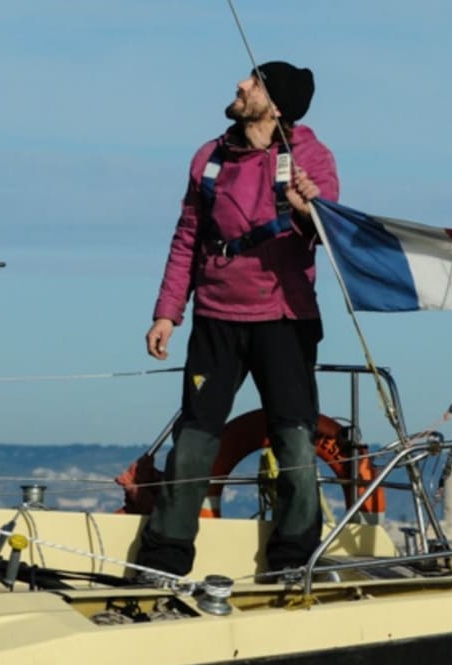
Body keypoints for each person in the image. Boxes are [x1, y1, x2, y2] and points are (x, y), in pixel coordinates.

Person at [136, 61, 339, 578]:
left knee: (294, 439)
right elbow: (187, 238)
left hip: (284, 318)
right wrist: (167, 313)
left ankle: (294, 562)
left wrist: (305, 209)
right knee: (194, 441)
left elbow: (330, 231)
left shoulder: (310, 156)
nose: (239, 85)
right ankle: (165, 560)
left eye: (252, 82)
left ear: (274, 106)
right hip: (215, 320)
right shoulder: (209, 158)